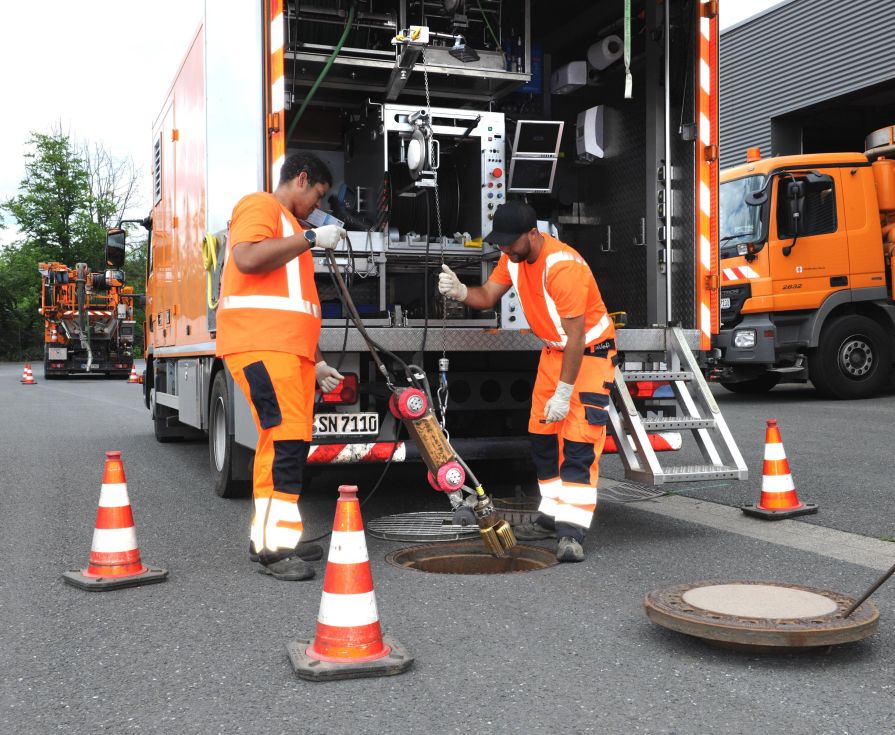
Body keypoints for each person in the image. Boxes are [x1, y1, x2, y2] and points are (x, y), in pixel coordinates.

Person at [438, 201, 616, 562]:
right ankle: (550, 518)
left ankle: (571, 534)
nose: (504, 248)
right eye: (500, 242)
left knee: (578, 446)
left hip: (588, 357)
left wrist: (564, 392)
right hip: (555, 355)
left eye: (510, 241)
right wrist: (461, 291)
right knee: (543, 439)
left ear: (533, 234)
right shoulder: (512, 259)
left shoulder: (562, 267)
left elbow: (577, 338)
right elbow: (488, 295)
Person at [216, 152, 347, 581]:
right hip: (262, 347)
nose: (317, 206)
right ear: (301, 179)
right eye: (318, 195)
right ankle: (274, 550)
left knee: (285, 444)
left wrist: (318, 361)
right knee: (285, 445)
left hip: (286, 352)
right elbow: (247, 258)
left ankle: (272, 538)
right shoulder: (261, 206)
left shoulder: (292, 228)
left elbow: (295, 309)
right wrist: (311, 239)